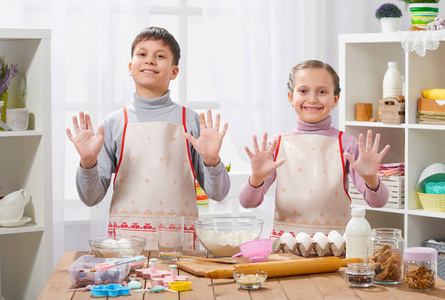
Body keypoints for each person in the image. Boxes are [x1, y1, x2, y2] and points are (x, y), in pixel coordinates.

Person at [66, 26, 230, 250]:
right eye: (142, 54)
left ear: (174, 71)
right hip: (127, 245)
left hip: (180, 246)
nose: (149, 60)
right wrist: (87, 163)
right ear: (130, 67)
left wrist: (213, 161)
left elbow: (218, 193)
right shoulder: (113, 123)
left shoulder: (191, 121)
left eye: (160, 56)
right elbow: (91, 198)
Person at [239, 60, 390, 238]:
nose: (312, 99)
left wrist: (371, 179)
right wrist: (256, 178)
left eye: (322, 92)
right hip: (286, 253)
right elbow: (247, 202)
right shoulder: (276, 146)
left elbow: (378, 202)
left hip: (335, 251)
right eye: (303, 91)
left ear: (335, 99)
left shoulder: (347, 145)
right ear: (291, 97)